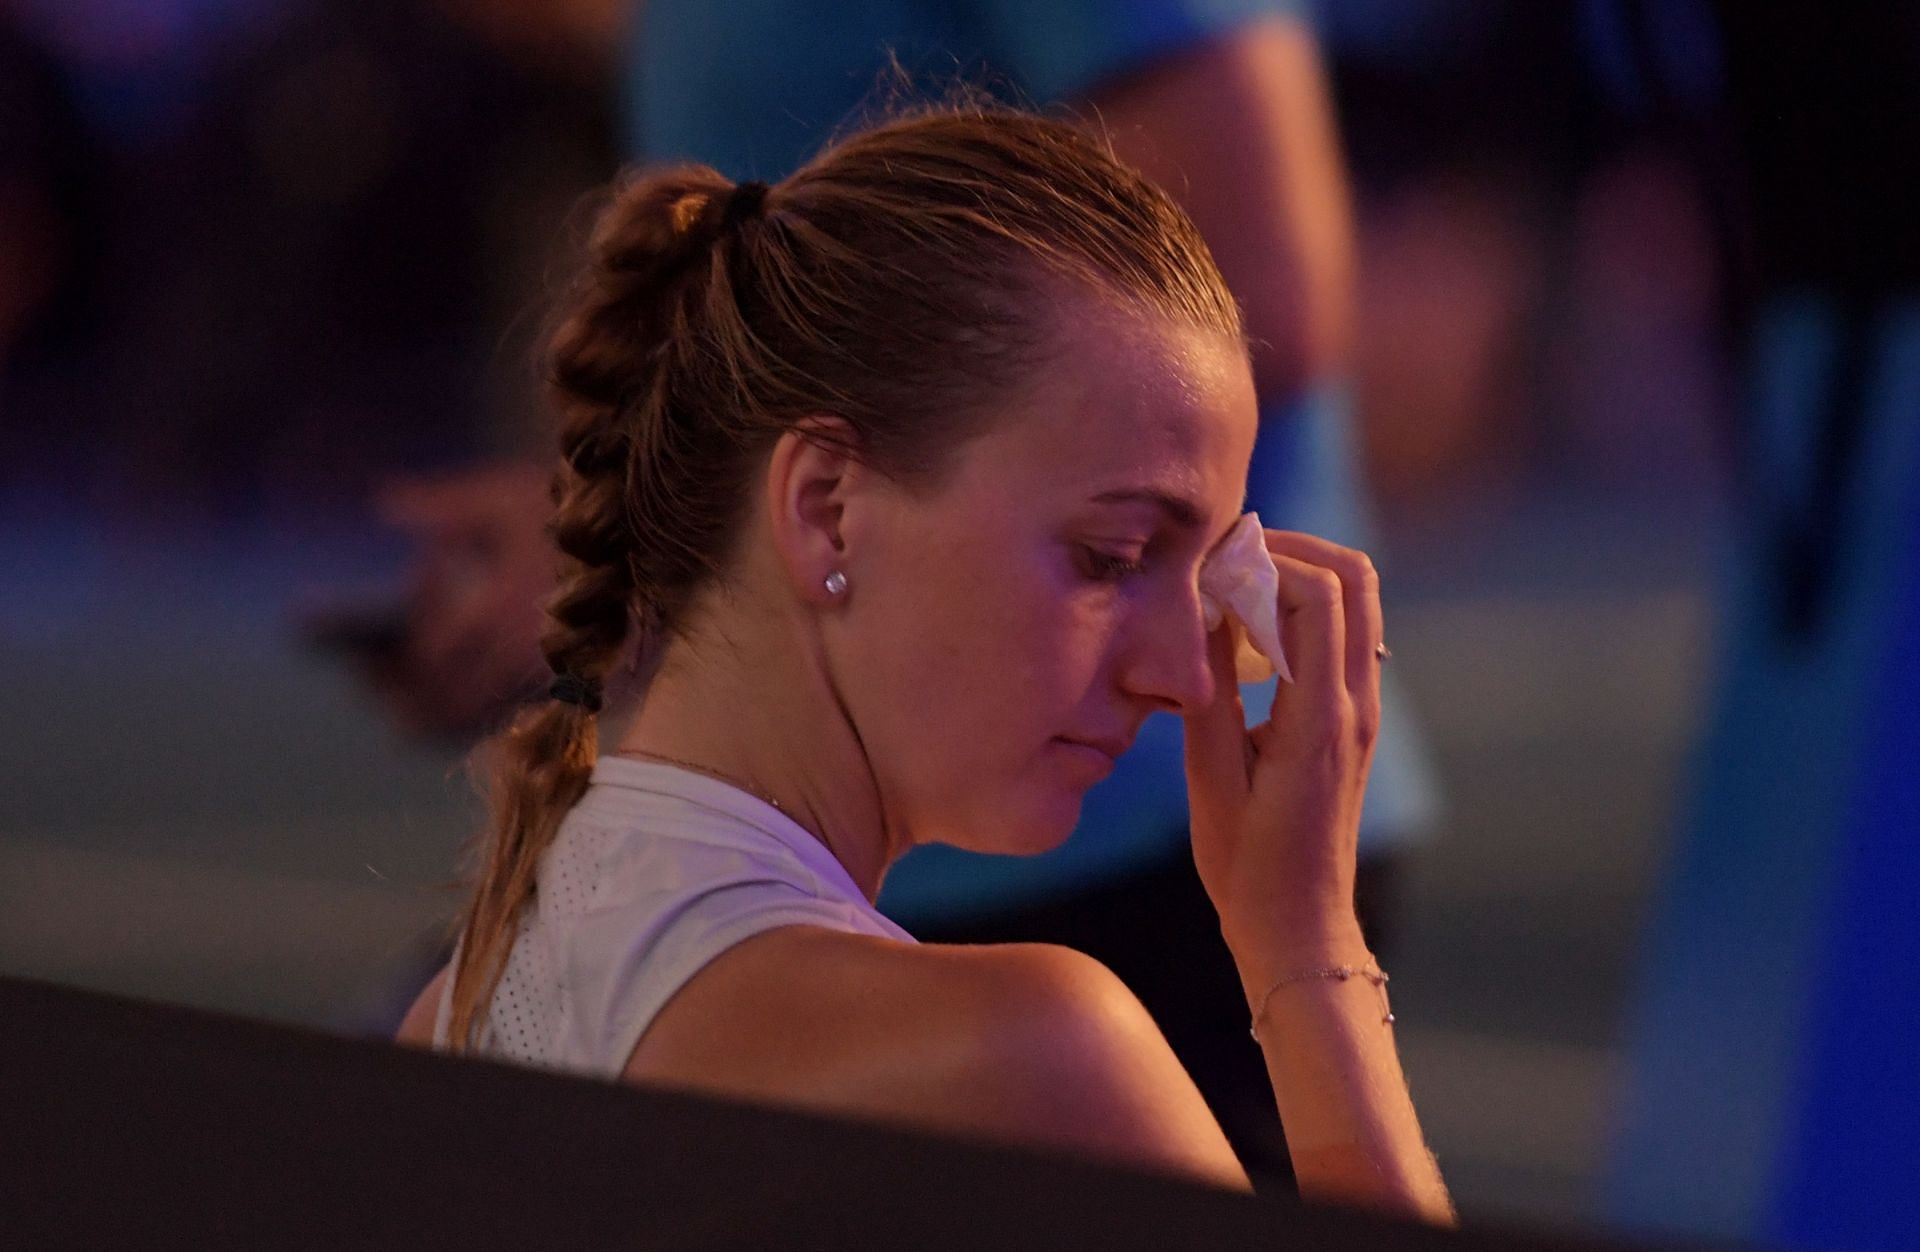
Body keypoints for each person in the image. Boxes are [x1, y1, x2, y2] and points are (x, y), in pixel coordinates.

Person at [396, 105, 1451, 1220]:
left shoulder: (457, 1012)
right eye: (1112, 556)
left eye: (1199, 580)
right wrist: (1304, 949)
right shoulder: (1036, 1055)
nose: (1187, 677)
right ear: (827, 510)